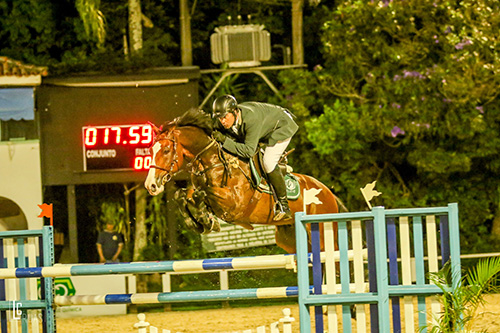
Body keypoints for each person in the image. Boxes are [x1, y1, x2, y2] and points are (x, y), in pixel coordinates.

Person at [211, 95, 298, 221]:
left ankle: (284, 206)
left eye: (225, 117)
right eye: (219, 118)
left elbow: (248, 151)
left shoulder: (251, 120)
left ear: (235, 112)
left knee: (268, 161)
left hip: (281, 126)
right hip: (264, 124)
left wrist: (224, 140)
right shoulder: (225, 120)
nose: (222, 121)